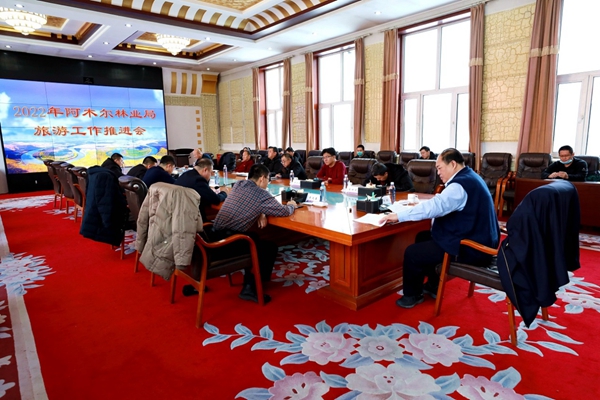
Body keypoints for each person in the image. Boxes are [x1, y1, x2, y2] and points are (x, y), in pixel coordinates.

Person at [380, 148, 499, 308]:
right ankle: (433, 285)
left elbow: (435, 207)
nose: (438, 173)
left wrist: (398, 216)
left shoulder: (459, 186)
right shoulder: (470, 176)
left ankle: (412, 295)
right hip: (479, 238)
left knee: (412, 253)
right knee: (423, 237)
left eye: (439, 168)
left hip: (471, 248)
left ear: (453, 164)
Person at [212, 164, 298, 303]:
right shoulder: (261, 194)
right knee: (268, 248)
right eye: (268, 179)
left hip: (213, 235)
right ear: (262, 178)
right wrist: (292, 205)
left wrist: (261, 212)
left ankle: (253, 281)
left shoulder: (239, 184)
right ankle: (251, 287)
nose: (268, 183)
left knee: (255, 238)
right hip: (226, 244)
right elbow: (283, 211)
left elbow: (250, 203)